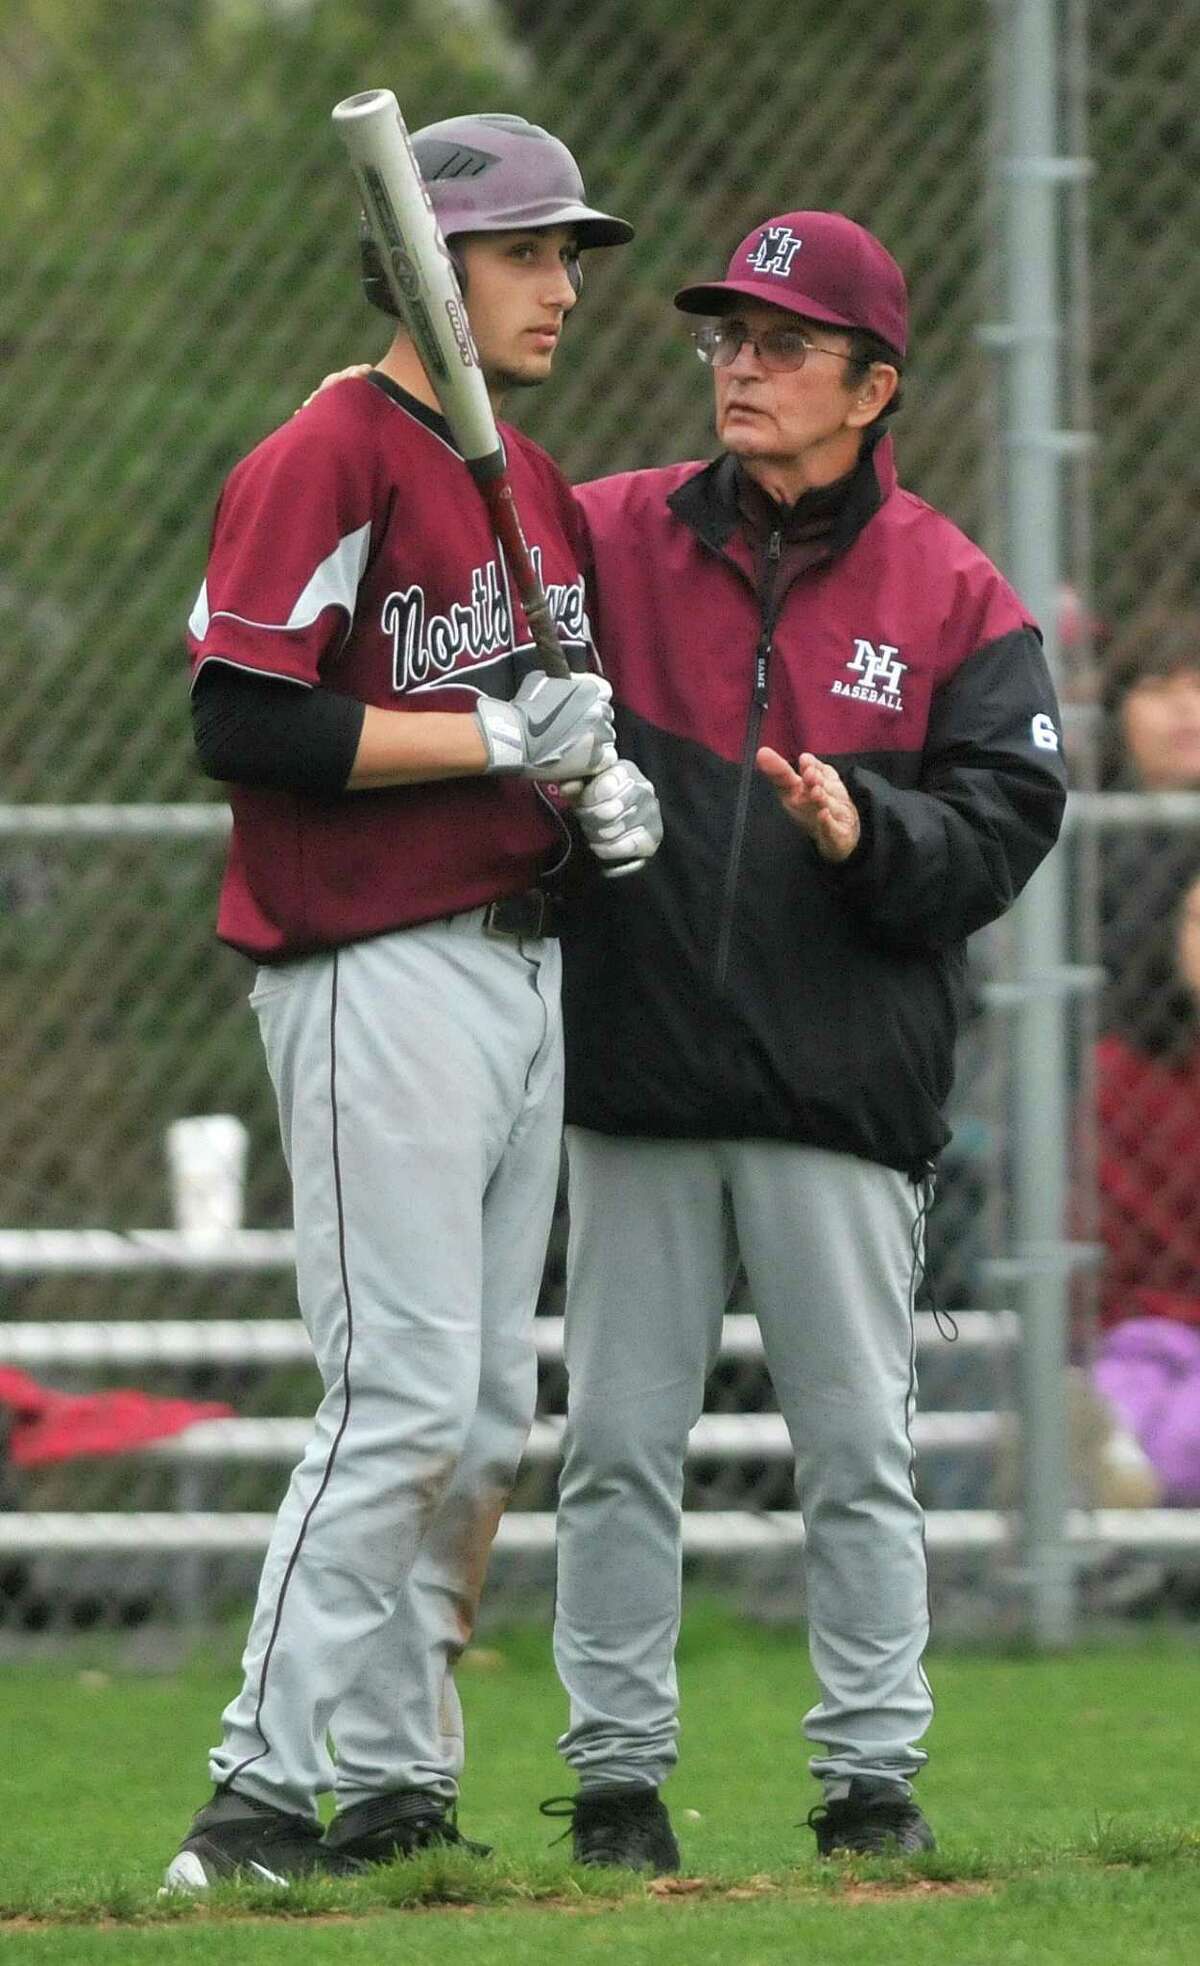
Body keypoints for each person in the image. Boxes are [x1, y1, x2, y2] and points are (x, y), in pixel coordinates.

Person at [164, 113, 659, 1892]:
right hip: (372, 961)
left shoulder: (518, 475)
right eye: (527, 252)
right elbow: (243, 714)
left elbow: (545, 715)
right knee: (397, 1400)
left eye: (568, 255)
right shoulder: (328, 448)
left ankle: (389, 1783)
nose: (563, 286)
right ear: (431, 268)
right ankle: (252, 1796)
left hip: (519, 951)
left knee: (477, 1417)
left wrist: (594, 792)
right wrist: (492, 735)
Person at [544, 211, 1068, 1870]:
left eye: (782, 345)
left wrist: (872, 832)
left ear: (874, 383)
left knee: (857, 1451)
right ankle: (617, 1782)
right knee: (617, 1449)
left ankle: (871, 1785)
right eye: (727, 342)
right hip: (632, 1080)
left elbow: (1007, 821)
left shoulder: (953, 585)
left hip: (838, 1097)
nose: (744, 369)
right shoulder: (613, 532)